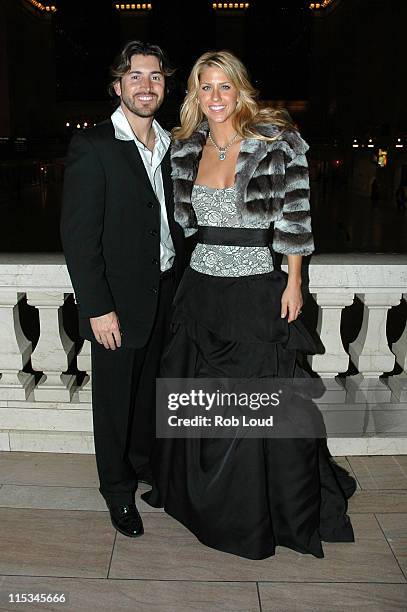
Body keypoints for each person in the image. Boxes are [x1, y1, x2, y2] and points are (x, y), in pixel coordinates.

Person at [142, 50, 356, 559]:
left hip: (258, 285)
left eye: (225, 86)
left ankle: (259, 510)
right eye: (205, 88)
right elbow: (183, 225)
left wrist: (294, 280)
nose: (215, 98)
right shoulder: (184, 147)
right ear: (194, 93)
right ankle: (199, 499)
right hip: (201, 289)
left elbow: (295, 219)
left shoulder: (275, 144)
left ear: (240, 89)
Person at [60, 41, 185, 538]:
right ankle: (116, 491)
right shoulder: (93, 146)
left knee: (149, 395)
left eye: (154, 76)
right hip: (116, 304)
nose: (146, 85)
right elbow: (78, 237)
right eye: (135, 76)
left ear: (164, 86)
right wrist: (98, 308)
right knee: (113, 404)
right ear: (118, 86)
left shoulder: (173, 144)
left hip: (165, 293)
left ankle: (141, 466)